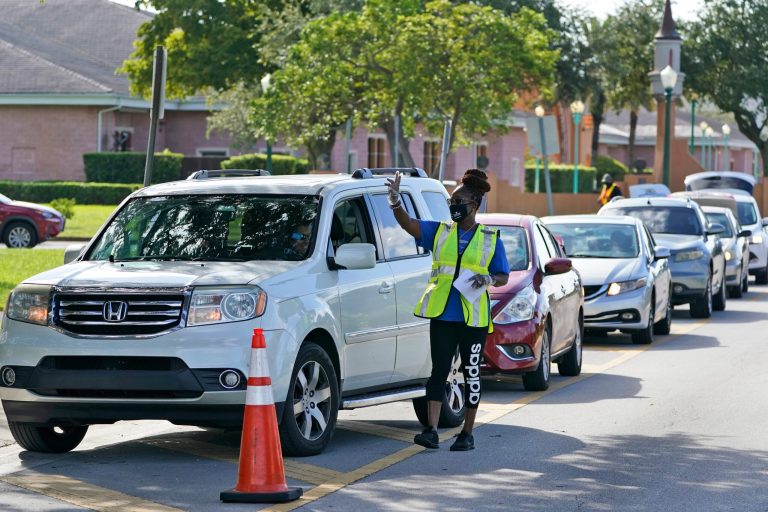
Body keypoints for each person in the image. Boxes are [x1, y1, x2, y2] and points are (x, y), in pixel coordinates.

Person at [386, 168, 510, 451]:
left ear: (474, 205)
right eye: (451, 203)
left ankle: (467, 432)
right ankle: (430, 430)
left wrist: (489, 279)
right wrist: (395, 203)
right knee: (439, 370)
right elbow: (409, 225)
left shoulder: (490, 238)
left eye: (458, 203)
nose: (453, 207)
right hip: (442, 314)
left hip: (473, 319)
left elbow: (503, 274)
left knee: (471, 373)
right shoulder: (440, 232)